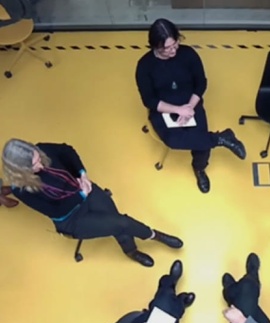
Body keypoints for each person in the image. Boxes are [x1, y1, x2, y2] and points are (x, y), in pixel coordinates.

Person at [2, 138, 183, 267]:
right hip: (70, 217)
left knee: (116, 221)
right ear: (20, 170)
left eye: (38, 158)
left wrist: (82, 174)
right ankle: (153, 236)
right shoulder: (21, 190)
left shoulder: (42, 150)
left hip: (82, 188)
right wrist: (81, 194)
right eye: (33, 165)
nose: (40, 164)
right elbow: (55, 211)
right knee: (121, 222)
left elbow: (67, 150)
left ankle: (130, 249)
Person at [135, 18, 246, 194]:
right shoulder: (144, 66)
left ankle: (200, 169)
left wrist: (190, 107)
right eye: (167, 48)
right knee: (174, 140)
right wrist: (178, 110)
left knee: (201, 143)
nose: (173, 51)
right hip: (165, 109)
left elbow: (201, 83)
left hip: (190, 103)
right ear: (155, 46)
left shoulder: (188, 54)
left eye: (175, 44)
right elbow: (149, 100)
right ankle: (221, 138)